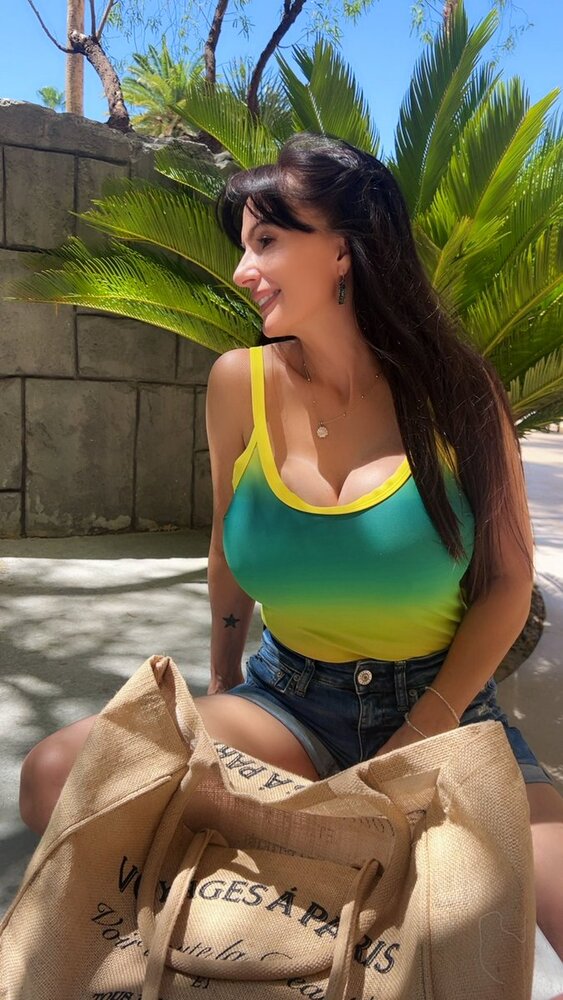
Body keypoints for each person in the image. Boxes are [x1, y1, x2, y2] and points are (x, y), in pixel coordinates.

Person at [19, 133, 563, 959]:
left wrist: (421, 730)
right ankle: (328, 859)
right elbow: (226, 548)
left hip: (444, 708)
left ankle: (332, 847)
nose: (244, 271)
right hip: (289, 701)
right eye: (244, 245)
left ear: (344, 250)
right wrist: (221, 685)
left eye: (266, 241)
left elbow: (506, 585)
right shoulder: (238, 382)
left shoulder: (459, 394)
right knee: (56, 775)